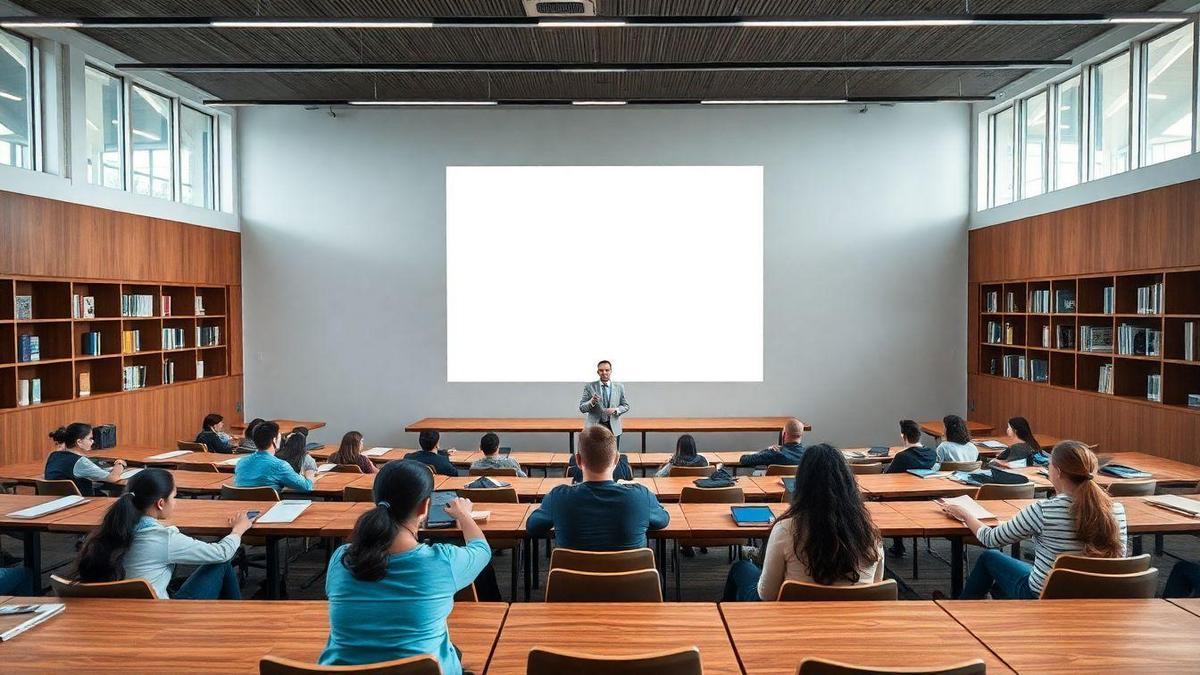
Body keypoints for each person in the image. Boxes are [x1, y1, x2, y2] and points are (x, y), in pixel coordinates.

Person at [320, 460, 491, 671]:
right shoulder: (442, 562)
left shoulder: (341, 558)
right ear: (425, 506)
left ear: (376, 499)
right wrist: (464, 515)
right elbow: (481, 549)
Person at [945, 441, 1127, 599]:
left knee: (990, 558)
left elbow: (991, 539)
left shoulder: (1043, 510)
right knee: (1013, 571)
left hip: (1047, 595)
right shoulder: (1117, 510)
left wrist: (966, 515)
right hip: (1101, 595)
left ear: (1058, 472)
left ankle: (962, 611)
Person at [723, 444, 883, 601]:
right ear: (849, 483)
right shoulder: (870, 533)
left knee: (742, 568)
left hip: (793, 620)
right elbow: (875, 589)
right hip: (855, 622)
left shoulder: (787, 529)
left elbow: (767, 595)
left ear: (801, 483)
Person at [75, 468, 248, 599]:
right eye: (174, 497)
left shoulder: (110, 528)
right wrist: (238, 530)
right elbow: (222, 553)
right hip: (161, 617)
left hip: (115, 614)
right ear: (160, 503)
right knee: (222, 562)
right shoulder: (163, 539)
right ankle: (237, 622)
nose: (176, 502)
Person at [527, 425, 669, 550]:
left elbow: (532, 527)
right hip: (628, 580)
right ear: (616, 459)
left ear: (578, 460)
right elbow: (663, 519)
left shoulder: (558, 497)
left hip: (573, 580)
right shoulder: (640, 496)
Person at [883, 420, 937, 557]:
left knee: (887, 500)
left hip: (902, 502)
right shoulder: (931, 454)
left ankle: (898, 546)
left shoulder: (902, 457)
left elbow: (887, 477)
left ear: (903, 436)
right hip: (926, 501)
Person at [44, 423, 125, 496]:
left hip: (56, 500)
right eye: (90, 438)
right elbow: (113, 478)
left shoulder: (53, 455)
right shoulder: (80, 462)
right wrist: (119, 464)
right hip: (81, 501)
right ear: (79, 442)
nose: (92, 442)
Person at [233, 420, 315, 491]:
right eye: (279, 437)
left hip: (241, 507)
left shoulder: (241, 463)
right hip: (269, 507)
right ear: (274, 440)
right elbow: (307, 487)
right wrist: (310, 472)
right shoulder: (280, 466)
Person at [579, 360, 629, 448]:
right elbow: (582, 408)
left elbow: (626, 406)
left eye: (607, 370)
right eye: (601, 370)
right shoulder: (589, 387)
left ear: (611, 371)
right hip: (594, 427)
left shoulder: (619, 387)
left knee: (612, 456)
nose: (604, 372)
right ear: (598, 372)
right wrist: (592, 402)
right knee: (594, 455)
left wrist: (616, 410)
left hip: (613, 427)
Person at [738, 418, 806, 468]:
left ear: (784, 434)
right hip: (800, 486)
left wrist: (766, 450)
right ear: (801, 435)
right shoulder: (808, 455)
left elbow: (744, 460)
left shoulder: (775, 453)